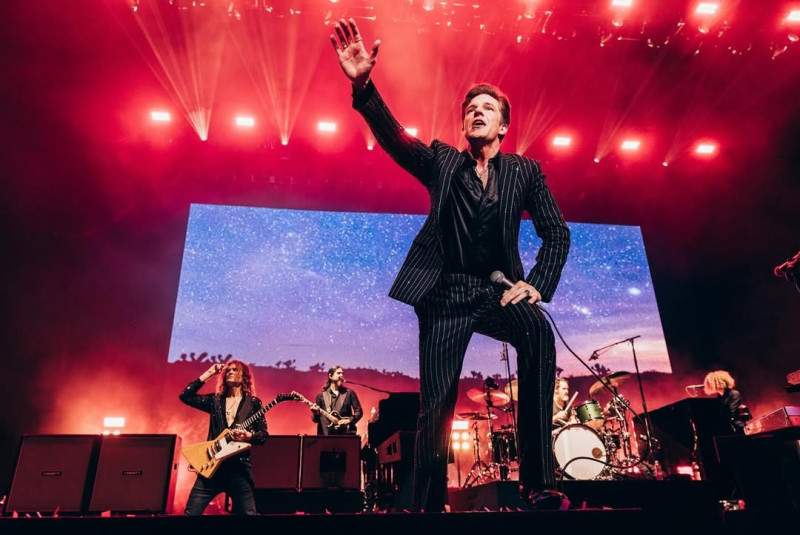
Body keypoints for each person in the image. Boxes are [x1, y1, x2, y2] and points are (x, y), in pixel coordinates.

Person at [328, 19, 571, 512]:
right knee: (437, 404)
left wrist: (536, 285)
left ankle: (539, 482)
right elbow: (396, 139)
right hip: (443, 294)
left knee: (538, 331)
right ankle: (428, 504)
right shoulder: (442, 161)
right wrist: (364, 87)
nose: (476, 113)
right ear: (463, 125)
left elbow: (557, 232)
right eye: (470, 109)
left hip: (496, 290)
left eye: (487, 109)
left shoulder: (525, 171)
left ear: (503, 127)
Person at [179, 361, 268, 515]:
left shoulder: (253, 403)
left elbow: (263, 435)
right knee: (190, 514)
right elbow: (185, 396)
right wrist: (209, 373)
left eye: (235, 370)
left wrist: (249, 436)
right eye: (228, 370)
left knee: (249, 515)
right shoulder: (215, 401)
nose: (230, 372)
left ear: (244, 376)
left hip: (239, 468)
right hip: (212, 467)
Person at [309, 365, 363, 435]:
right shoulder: (321, 396)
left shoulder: (349, 393)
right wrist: (315, 413)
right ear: (330, 376)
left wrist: (349, 420)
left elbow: (359, 412)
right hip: (325, 435)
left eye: (342, 373)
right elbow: (316, 420)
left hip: (345, 434)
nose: (341, 375)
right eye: (338, 373)